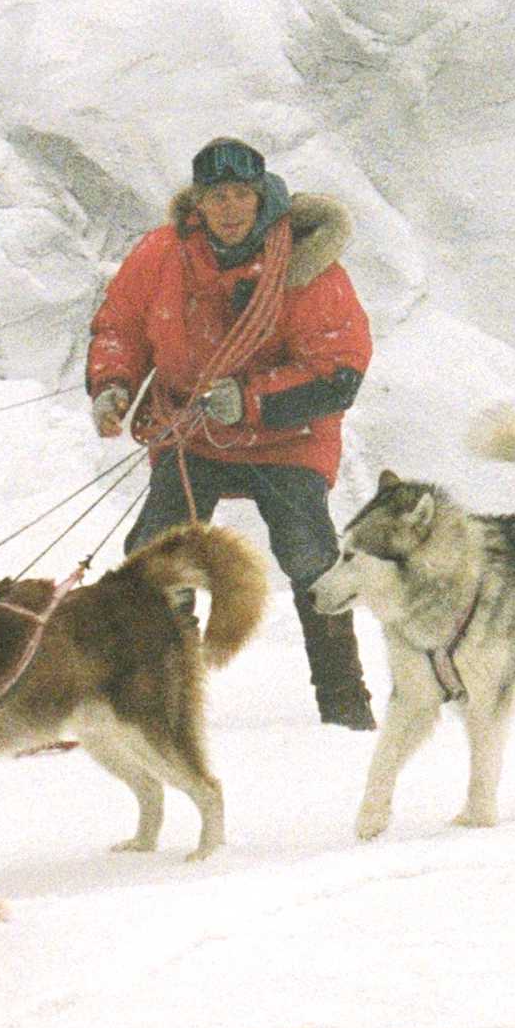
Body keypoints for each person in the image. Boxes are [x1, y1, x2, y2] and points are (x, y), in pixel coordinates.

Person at [87, 136, 378, 729]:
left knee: (310, 558)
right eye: (216, 196)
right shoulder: (162, 254)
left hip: (286, 441)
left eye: (240, 194)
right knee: (155, 553)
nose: (229, 208)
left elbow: (339, 373)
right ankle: (168, 695)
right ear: (198, 201)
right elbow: (120, 324)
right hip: (194, 436)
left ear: (261, 195)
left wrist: (250, 400)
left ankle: (345, 705)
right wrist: (113, 384)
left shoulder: (305, 262)